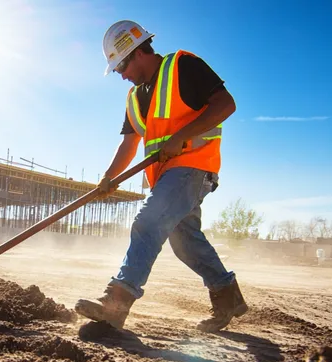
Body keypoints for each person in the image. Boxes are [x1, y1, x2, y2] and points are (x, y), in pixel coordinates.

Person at [75, 20, 247, 333]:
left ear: (137, 53)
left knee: (149, 221)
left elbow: (227, 104)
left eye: (121, 67)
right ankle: (228, 296)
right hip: (165, 176)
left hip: (194, 165)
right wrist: (108, 178)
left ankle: (117, 299)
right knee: (185, 243)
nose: (121, 75)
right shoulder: (133, 98)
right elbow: (130, 143)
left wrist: (183, 135)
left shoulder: (183, 66)